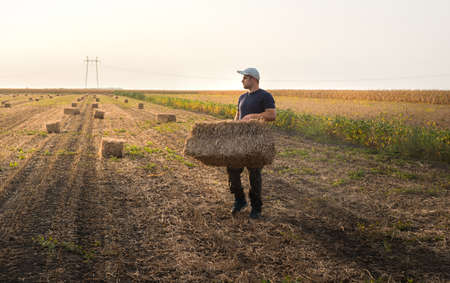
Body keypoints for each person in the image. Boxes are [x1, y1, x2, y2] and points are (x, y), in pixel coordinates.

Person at [228, 67, 276, 219]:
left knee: (254, 174)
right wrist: (232, 127)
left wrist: (253, 116)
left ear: (253, 79)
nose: (242, 80)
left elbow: (272, 115)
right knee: (232, 170)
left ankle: (256, 208)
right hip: (240, 140)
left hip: (256, 141)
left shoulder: (265, 95)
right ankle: (240, 200)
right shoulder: (242, 97)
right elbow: (238, 116)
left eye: (245, 78)